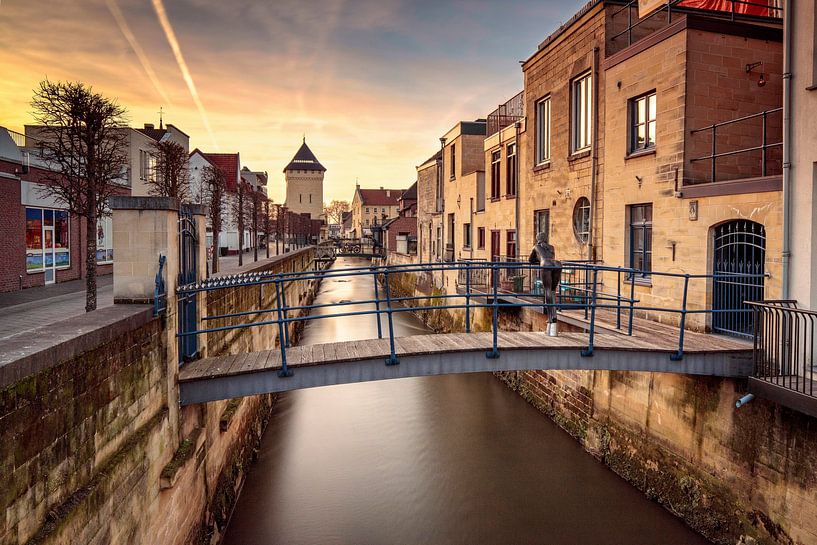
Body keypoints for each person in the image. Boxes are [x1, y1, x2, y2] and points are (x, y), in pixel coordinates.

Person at [528, 232, 562, 336]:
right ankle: (554, 314)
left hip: (545, 264)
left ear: (537, 238)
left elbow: (530, 260)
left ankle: (551, 317)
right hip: (557, 264)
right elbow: (551, 256)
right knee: (553, 290)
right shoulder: (551, 247)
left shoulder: (536, 247)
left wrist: (538, 260)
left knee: (547, 290)